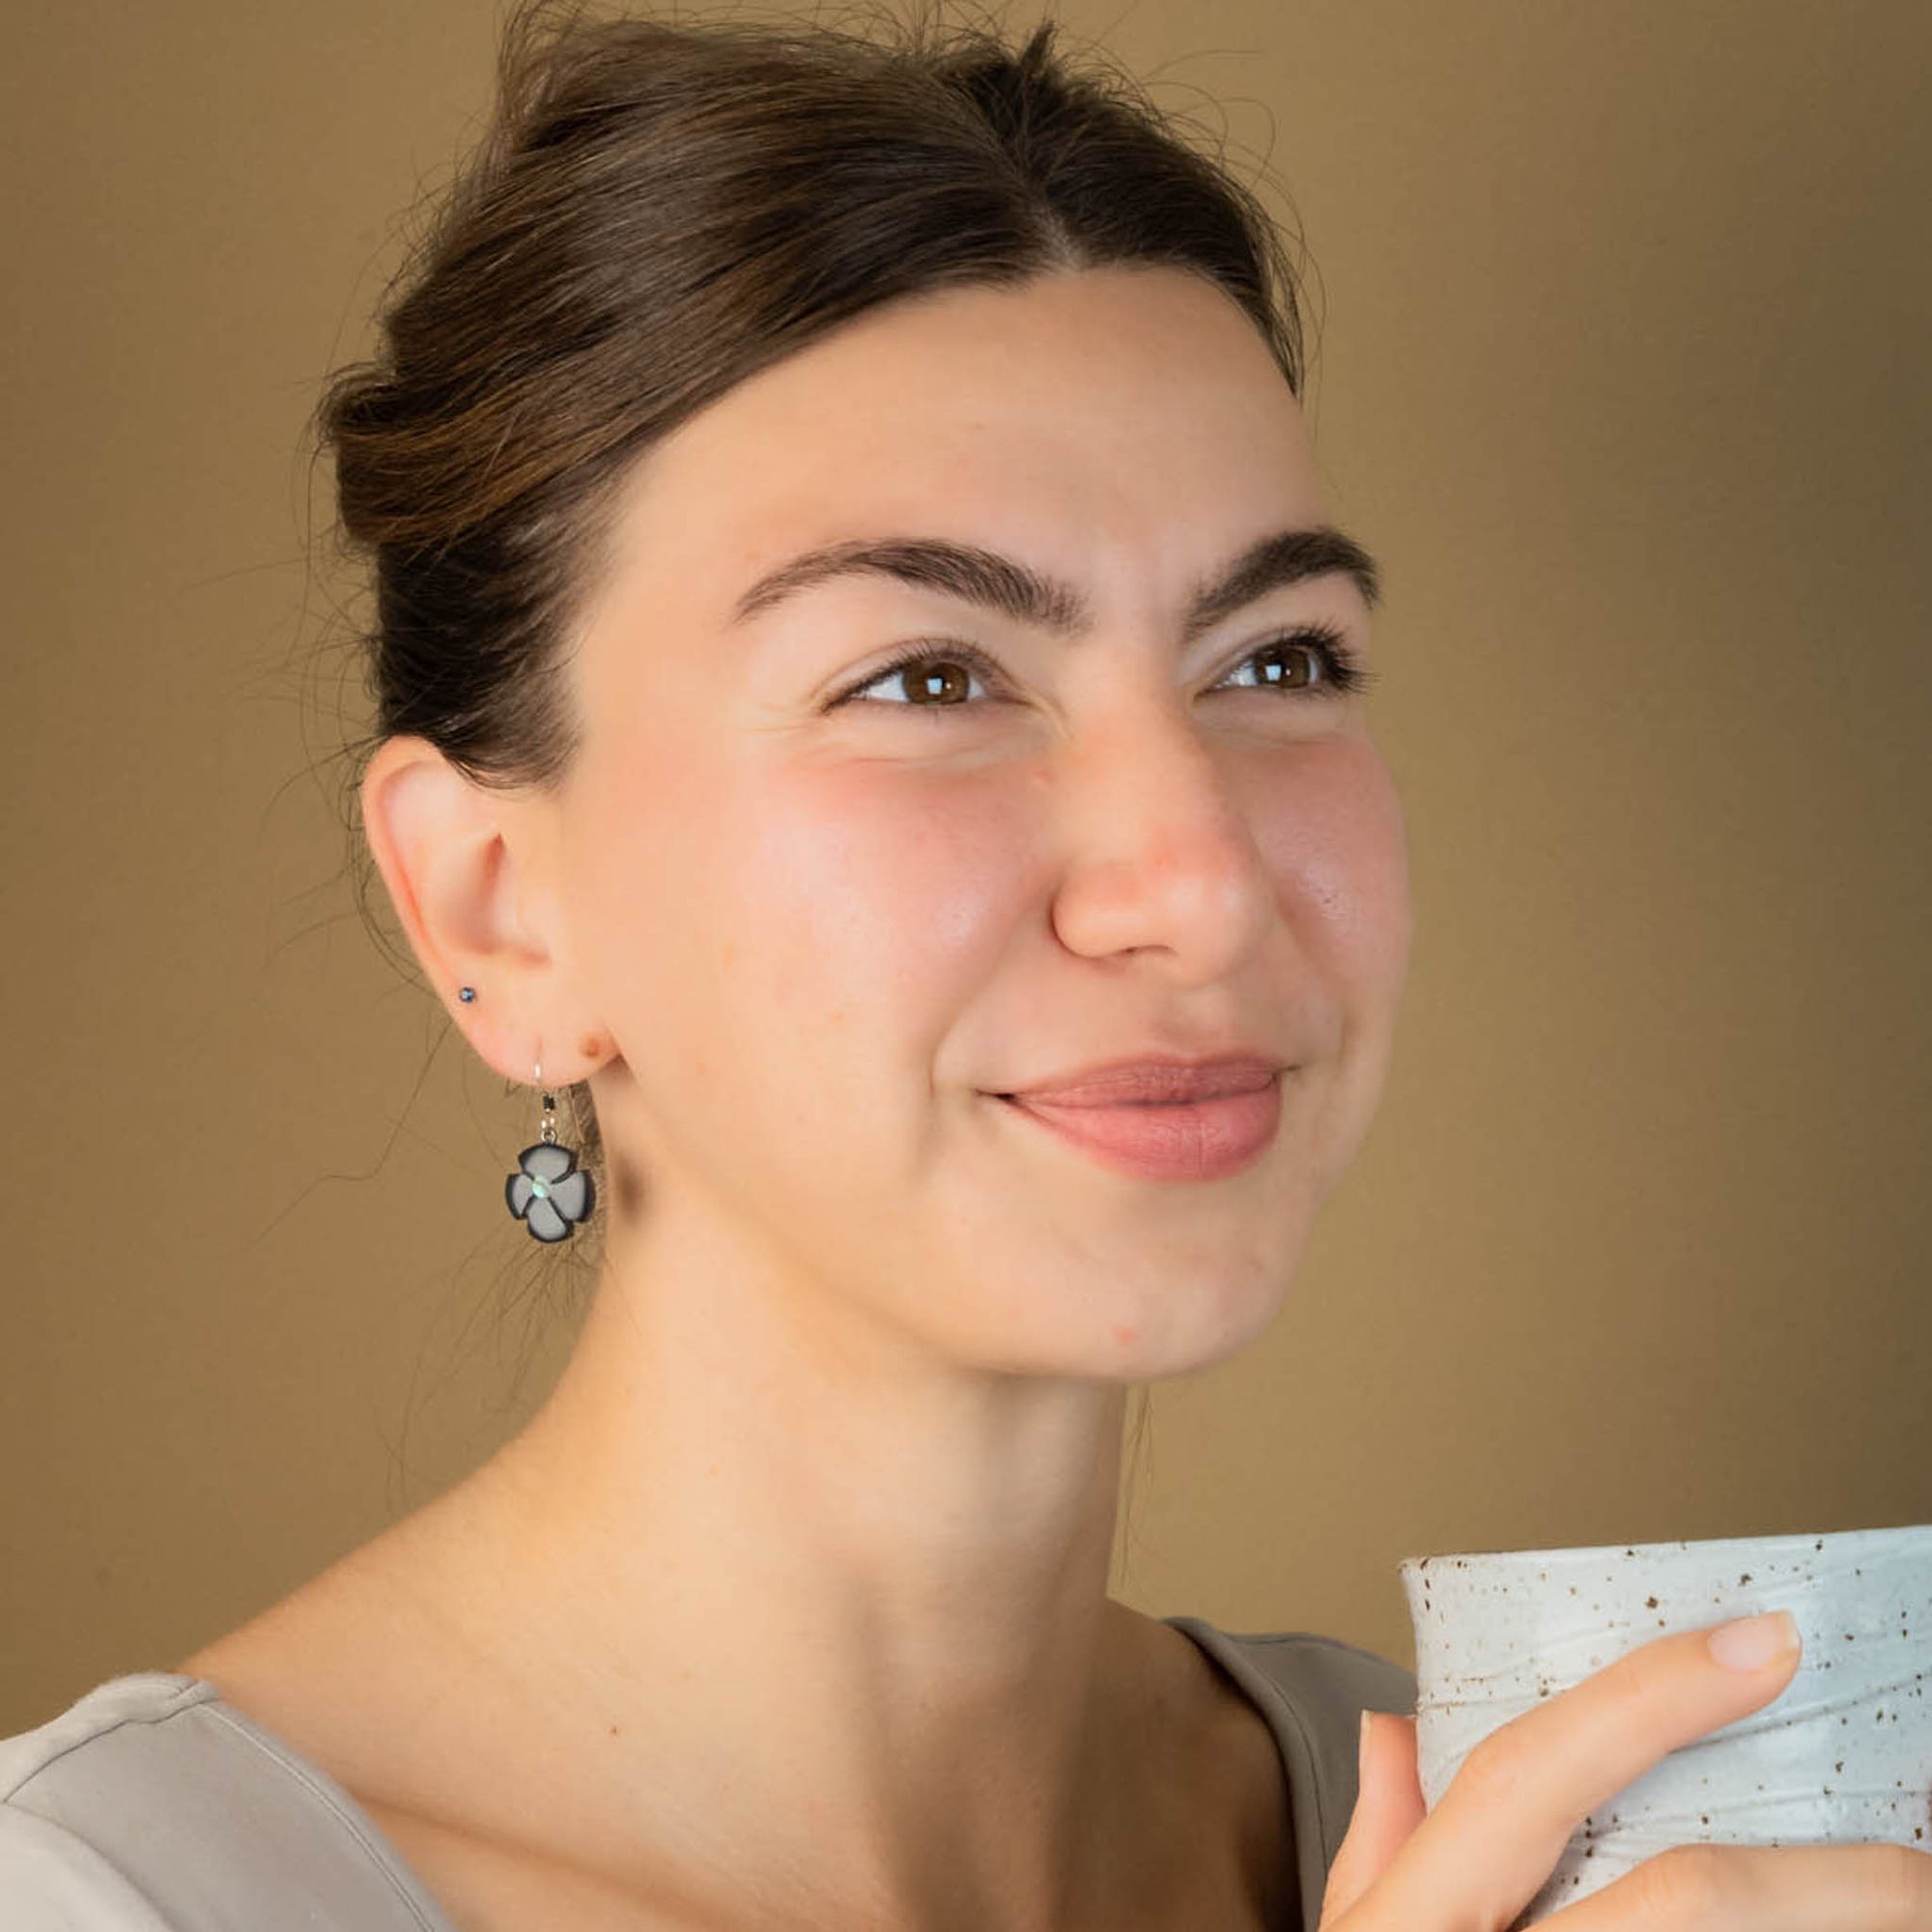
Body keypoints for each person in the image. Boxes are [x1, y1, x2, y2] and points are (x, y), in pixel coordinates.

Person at [22, 6, 1910, 1931]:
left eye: (1275, 660)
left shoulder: (1513, 1834)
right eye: (923, 677)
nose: (1200, 885)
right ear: (499, 906)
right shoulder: (107, 1897)